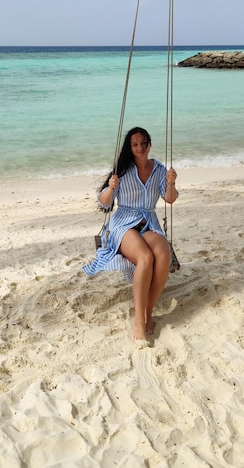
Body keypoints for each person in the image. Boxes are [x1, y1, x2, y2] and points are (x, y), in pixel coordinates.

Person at [83, 127, 178, 343]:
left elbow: (170, 199)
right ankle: (138, 320)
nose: (140, 148)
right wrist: (111, 187)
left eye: (143, 143)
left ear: (150, 145)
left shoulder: (159, 169)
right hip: (123, 225)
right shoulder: (123, 170)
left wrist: (171, 182)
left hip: (149, 224)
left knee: (163, 255)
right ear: (130, 147)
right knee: (146, 258)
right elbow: (104, 203)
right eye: (135, 145)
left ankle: (147, 312)